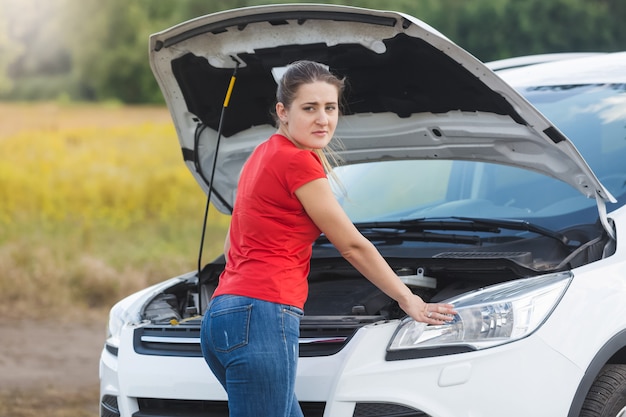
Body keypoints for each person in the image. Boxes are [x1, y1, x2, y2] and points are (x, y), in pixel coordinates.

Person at [200, 60, 456, 417]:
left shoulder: (261, 155)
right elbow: (351, 245)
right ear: (282, 111)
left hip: (222, 316)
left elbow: (232, 247)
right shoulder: (298, 161)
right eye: (309, 108)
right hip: (262, 316)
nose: (323, 119)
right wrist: (408, 299)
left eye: (330, 107)